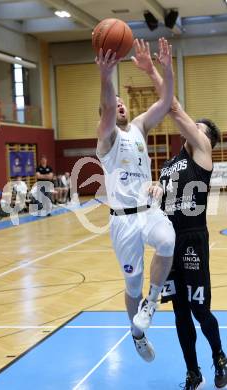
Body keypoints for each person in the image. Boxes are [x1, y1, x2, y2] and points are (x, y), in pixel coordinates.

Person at [132, 39, 227, 389]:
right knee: (179, 314)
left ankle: (219, 356)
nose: (191, 127)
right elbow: (157, 201)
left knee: (200, 310)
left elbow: (172, 107)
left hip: (192, 239)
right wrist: (154, 191)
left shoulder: (203, 152)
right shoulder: (172, 163)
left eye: (197, 126)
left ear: (206, 138)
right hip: (168, 241)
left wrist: (154, 71)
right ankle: (193, 371)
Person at [95, 38, 176, 362]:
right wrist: (106, 76)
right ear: (105, 113)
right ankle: (137, 333)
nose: (119, 105)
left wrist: (162, 68)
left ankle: (153, 302)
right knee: (131, 287)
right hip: (122, 220)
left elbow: (166, 99)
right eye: (112, 103)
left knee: (167, 240)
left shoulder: (140, 127)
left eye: (121, 101)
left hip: (148, 210)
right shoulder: (106, 139)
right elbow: (105, 110)